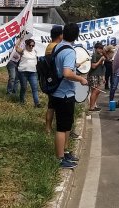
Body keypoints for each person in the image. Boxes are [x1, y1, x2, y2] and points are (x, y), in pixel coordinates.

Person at [51, 23, 88, 169]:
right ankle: (60, 159)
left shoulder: (58, 47)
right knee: (62, 127)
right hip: (64, 94)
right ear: (76, 35)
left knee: (66, 125)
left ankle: (65, 152)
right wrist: (80, 79)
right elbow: (66, 73)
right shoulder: (70, 51)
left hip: (59, 91)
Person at [45, 25, 63, 134]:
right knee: (59, 106)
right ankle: (60, 129)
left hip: (50, 79)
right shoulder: (56, 47)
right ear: (60, 35)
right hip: (57, 80)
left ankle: (48, 128)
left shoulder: (49, 46)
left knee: (51, 104)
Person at [15, 39, 42, 107]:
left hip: (33, 72)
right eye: (30, 45)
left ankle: (37, 103)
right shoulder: (23, 51)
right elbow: (16, 47)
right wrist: (20, 39)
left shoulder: (35, 51)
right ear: (26, 45)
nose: (31, 47)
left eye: (33, 45)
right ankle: (22, 101)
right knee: (24, 87)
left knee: (35, 88)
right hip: (23, 72)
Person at [87, 42, 106, 112]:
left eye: (101, 48)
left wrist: (103, 77)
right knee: (95, 91)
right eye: (99, 48)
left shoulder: (101, 55)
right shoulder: (94, 55)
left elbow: (103, 67)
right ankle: (91, 107)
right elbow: (93, 66)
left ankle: (94, 105)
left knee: (97, 91)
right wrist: (100, 60)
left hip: (99, 75)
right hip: (93, 75)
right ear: (95, 49)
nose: (100, 50)